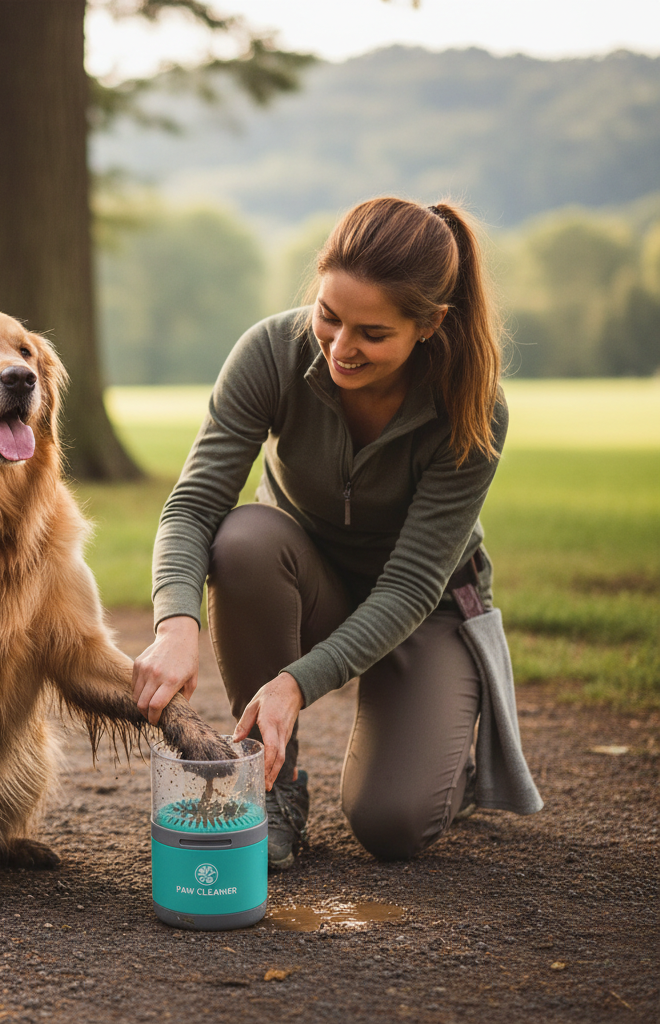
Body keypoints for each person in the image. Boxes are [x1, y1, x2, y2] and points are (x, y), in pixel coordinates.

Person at [132, 195, 524, 869]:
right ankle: (274, 786)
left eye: (373, 334)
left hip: (421, 611)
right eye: (328, 316)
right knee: (245, 539)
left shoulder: (472, 406)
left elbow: (407, 587)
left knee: (393, 825)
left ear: (429, 324)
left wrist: (296, 683)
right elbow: (195, 505)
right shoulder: (269, 353)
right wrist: (175, 622)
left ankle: (444, 762)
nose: (341, 348)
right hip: (306, 576)